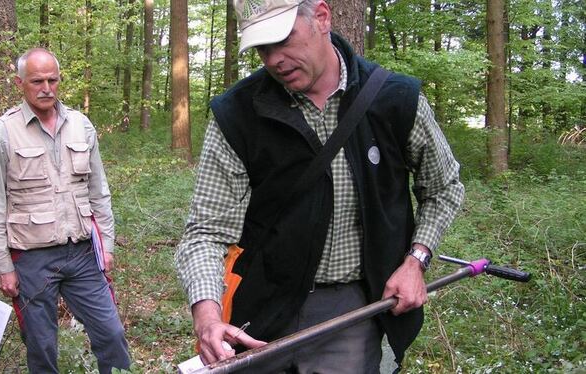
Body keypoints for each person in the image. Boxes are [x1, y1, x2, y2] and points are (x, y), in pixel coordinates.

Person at [174, 0, 465, 372]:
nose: (275, 59)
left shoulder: (394, 100)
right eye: (263, 48)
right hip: (261, 307)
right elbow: (206, 231)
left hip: (349, 309)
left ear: (322, 18)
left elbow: (443, 187)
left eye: (283, 39)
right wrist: (208, 316)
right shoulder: (238, 114)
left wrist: (416, 260)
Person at [0, 48, 131, 374]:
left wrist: (107, 245)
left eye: (52, 79)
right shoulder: (0, 134)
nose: (46, 87)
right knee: (42, 346)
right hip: (31, 259)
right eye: (37, 81)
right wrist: (4, 267)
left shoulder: (81, 125)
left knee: (112, 334)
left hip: (82, 253)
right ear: (20, 83)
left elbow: (98, 192)